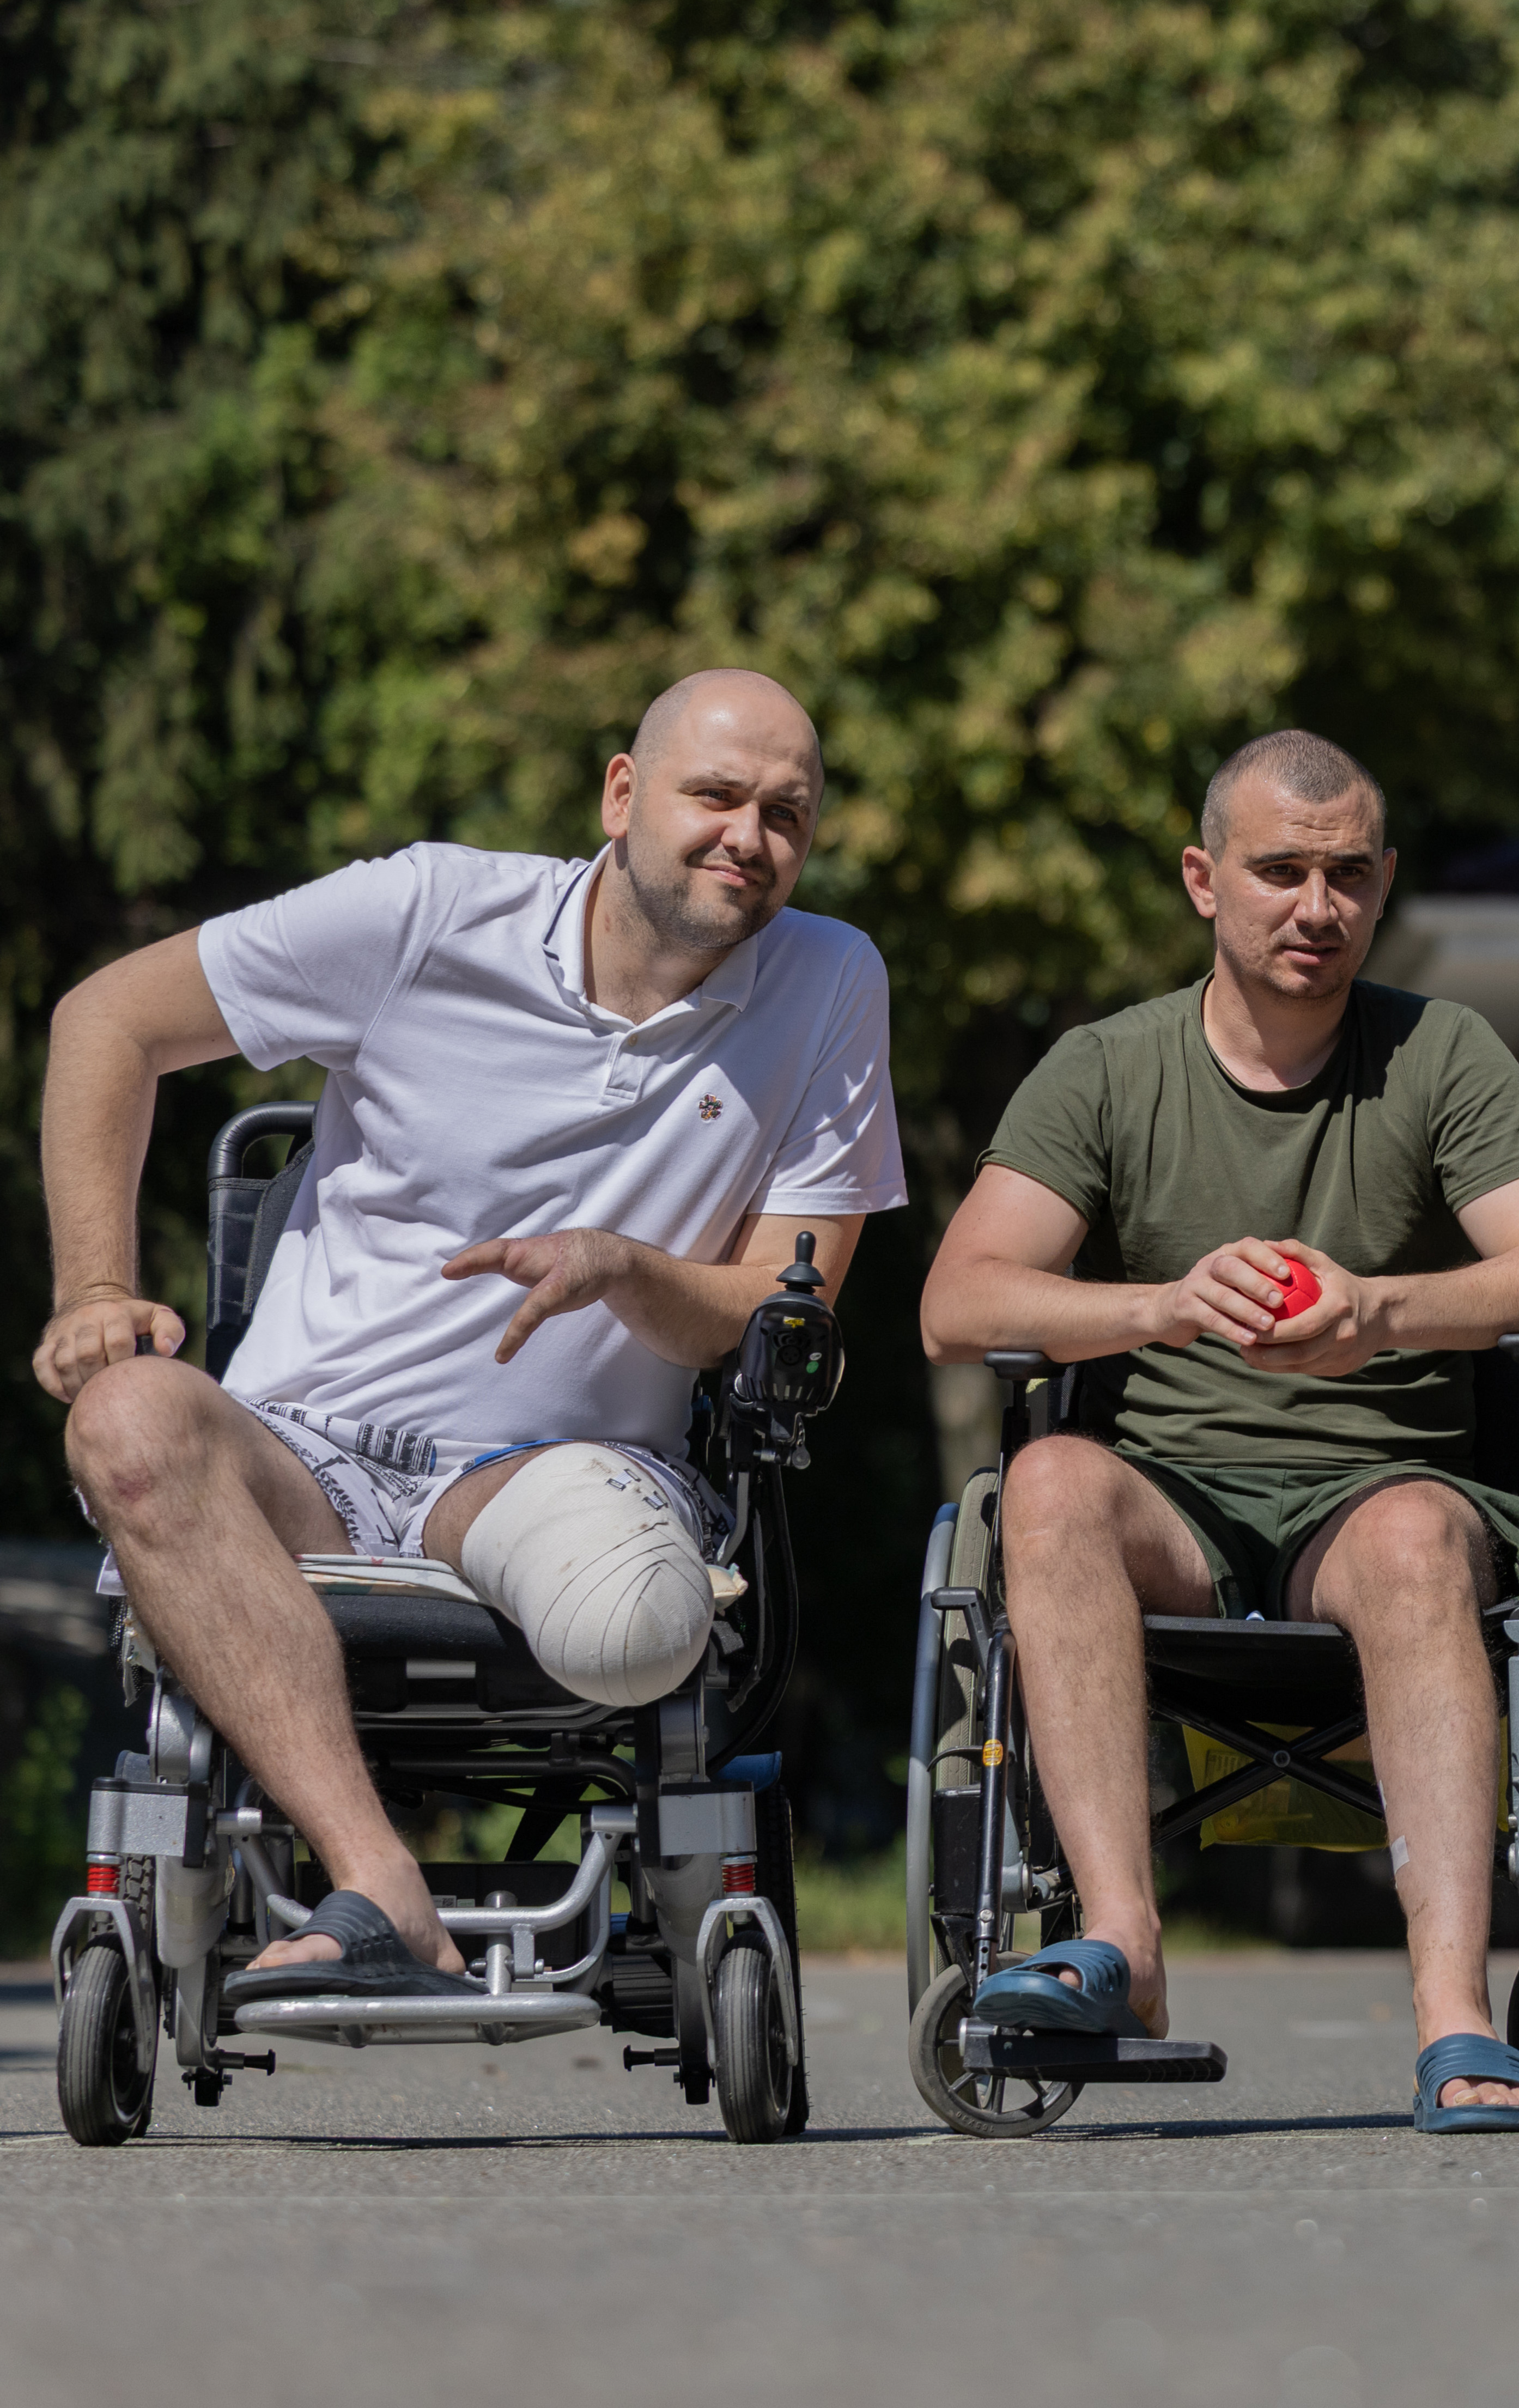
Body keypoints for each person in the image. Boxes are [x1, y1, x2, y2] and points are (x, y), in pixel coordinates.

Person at [40, 671, 902, 2003]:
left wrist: (621, 1269)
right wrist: (97, 1291)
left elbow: (780, 1308)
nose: (750, 836)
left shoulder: (830, 979)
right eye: (716, 795)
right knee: (125, 1421)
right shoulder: (430, 909)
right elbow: (109, 1020)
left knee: (640, 1628)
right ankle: (380, 1883)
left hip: (548, 1465)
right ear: (624, 795)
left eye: (787, 814)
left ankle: (419, 1896)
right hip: (301, 1457)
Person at [919, 730, 1519, 2127]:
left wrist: (1384, 1311)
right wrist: (1165, 1305)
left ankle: (1456, 2016)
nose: (1317, 907)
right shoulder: (1107, 1070)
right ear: (1202, 879)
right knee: (1046, 1481)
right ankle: (1124, 1939)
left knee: (1417, 1540)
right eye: (1281, 871)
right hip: (1170, 1501)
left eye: (1348, 874)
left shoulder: (1442, 1056)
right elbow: (957, 1302)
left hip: (1385, 1488)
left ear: (1385, 882)